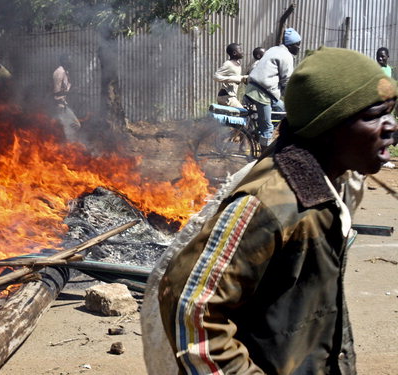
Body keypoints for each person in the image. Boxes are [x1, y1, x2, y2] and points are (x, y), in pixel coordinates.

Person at [158, 46, 397, 375]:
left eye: (391, 112)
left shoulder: (325, 189)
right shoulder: (270, 201)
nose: (391, 126)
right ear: (326, 127)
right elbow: (192, 309)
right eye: (373, 116)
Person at [244, 28, 301, 148]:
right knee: (268, 128)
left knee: (283, 110)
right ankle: (261, 156)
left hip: (258, 89)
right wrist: (293, 98)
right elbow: (287, 80)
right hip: (261, 94)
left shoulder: (274, 49)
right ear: (290, 45)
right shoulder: (286, 56)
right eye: (297, 44)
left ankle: (260, 132)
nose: (299, 48)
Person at [53, 53, 81, 143]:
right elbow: (56, 92)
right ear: (64, 61)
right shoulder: (59, 72)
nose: (71, 62)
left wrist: (73, 89)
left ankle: (68, 146)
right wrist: (71, 92)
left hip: (64, 105)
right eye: (69, 60)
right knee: (66, 129)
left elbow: (64, 89)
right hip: (59, 106)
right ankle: (67, 147)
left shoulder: (66, 72)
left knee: (75, 125)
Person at [213, 43, 248, 108]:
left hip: (231, 96)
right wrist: (232, 79)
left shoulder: (237, 63)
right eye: (240, 50)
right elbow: (215, 76)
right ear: (234, 53)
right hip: (226, 97)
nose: (242, 51)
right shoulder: (228, 64)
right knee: (243, 112)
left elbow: (236, 78)